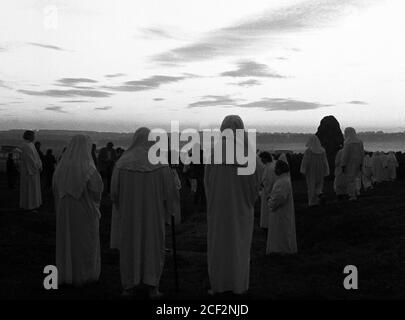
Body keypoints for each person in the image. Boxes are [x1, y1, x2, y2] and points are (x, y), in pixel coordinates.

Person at [110, 127, 178, 298]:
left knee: (129, 247)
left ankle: (129, 286)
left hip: (129, 216)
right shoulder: (160, 164)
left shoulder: (122, 163)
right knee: (152, 247)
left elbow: (114, 193)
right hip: (153, 216)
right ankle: (152, 286)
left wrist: (122, 207)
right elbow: (169, 193)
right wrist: (167, 211)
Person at [204, 115, 263, 295]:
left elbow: (207, 181)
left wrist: (213, 201)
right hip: (241, 210)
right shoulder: (249, 155)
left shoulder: (213, 154)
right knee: (239, 246)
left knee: (219, 246)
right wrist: (248, 199)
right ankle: (239, 285)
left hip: (219, 210)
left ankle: (219, 285)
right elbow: (256, 182)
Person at [53, 135, 103, 286]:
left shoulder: (61, 168)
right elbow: (96, 192)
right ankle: (84, 274)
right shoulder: (88, 168)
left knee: (67, 241)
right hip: (84, 212)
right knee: (84, 242)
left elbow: (55, 189)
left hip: (64, 212)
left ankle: (67, 273)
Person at [266, 160, 297, 255]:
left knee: (281, 233)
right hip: (281, 213)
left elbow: (279, 198)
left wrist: (270, 201)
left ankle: (281, 251)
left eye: (276, 168)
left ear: (280, 169)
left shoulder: (282, 182)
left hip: (280, 214)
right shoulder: (284, 180)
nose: (274, 170)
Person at [300, 135, 330, 207]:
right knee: (319, 185)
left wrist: (303, 171)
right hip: (320, 170)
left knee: (311, 186)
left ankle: (312, 203)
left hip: (311, 171)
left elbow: (305, 162)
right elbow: (325, 161)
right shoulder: (322, 151)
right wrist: (326, 171)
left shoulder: (308, 151)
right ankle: (319, 196)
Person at [20, 130, 42, 211]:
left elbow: (36, 157)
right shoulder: (26, 146)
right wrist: (37, 166)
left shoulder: (31, 145)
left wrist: (39, 164)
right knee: (30, 189)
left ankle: (34, 204)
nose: (34, 137)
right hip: (29, 172)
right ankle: (29, 206)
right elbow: (30, 160)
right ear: (29, 136)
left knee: (33, 189)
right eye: (33, 135)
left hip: (34, 171)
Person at [341, 128, 364, 200]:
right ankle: (358, 191)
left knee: (350, 179)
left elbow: (345, 155)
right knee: (357, 178)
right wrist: (361, 163)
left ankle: (352, 195)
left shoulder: (347, 142)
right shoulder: (360, 142)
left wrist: (343, 164)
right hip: (358, 161)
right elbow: (362, 153)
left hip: (349, 163)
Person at [259, 151, 276, 228]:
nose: (261, 160)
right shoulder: (270, 166)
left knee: (266, 211)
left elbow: (269, 181)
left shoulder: (269, 168)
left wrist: (263, 184)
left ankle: (266, 225)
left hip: (268, 192)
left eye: (262, 158)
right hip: (267, 191)